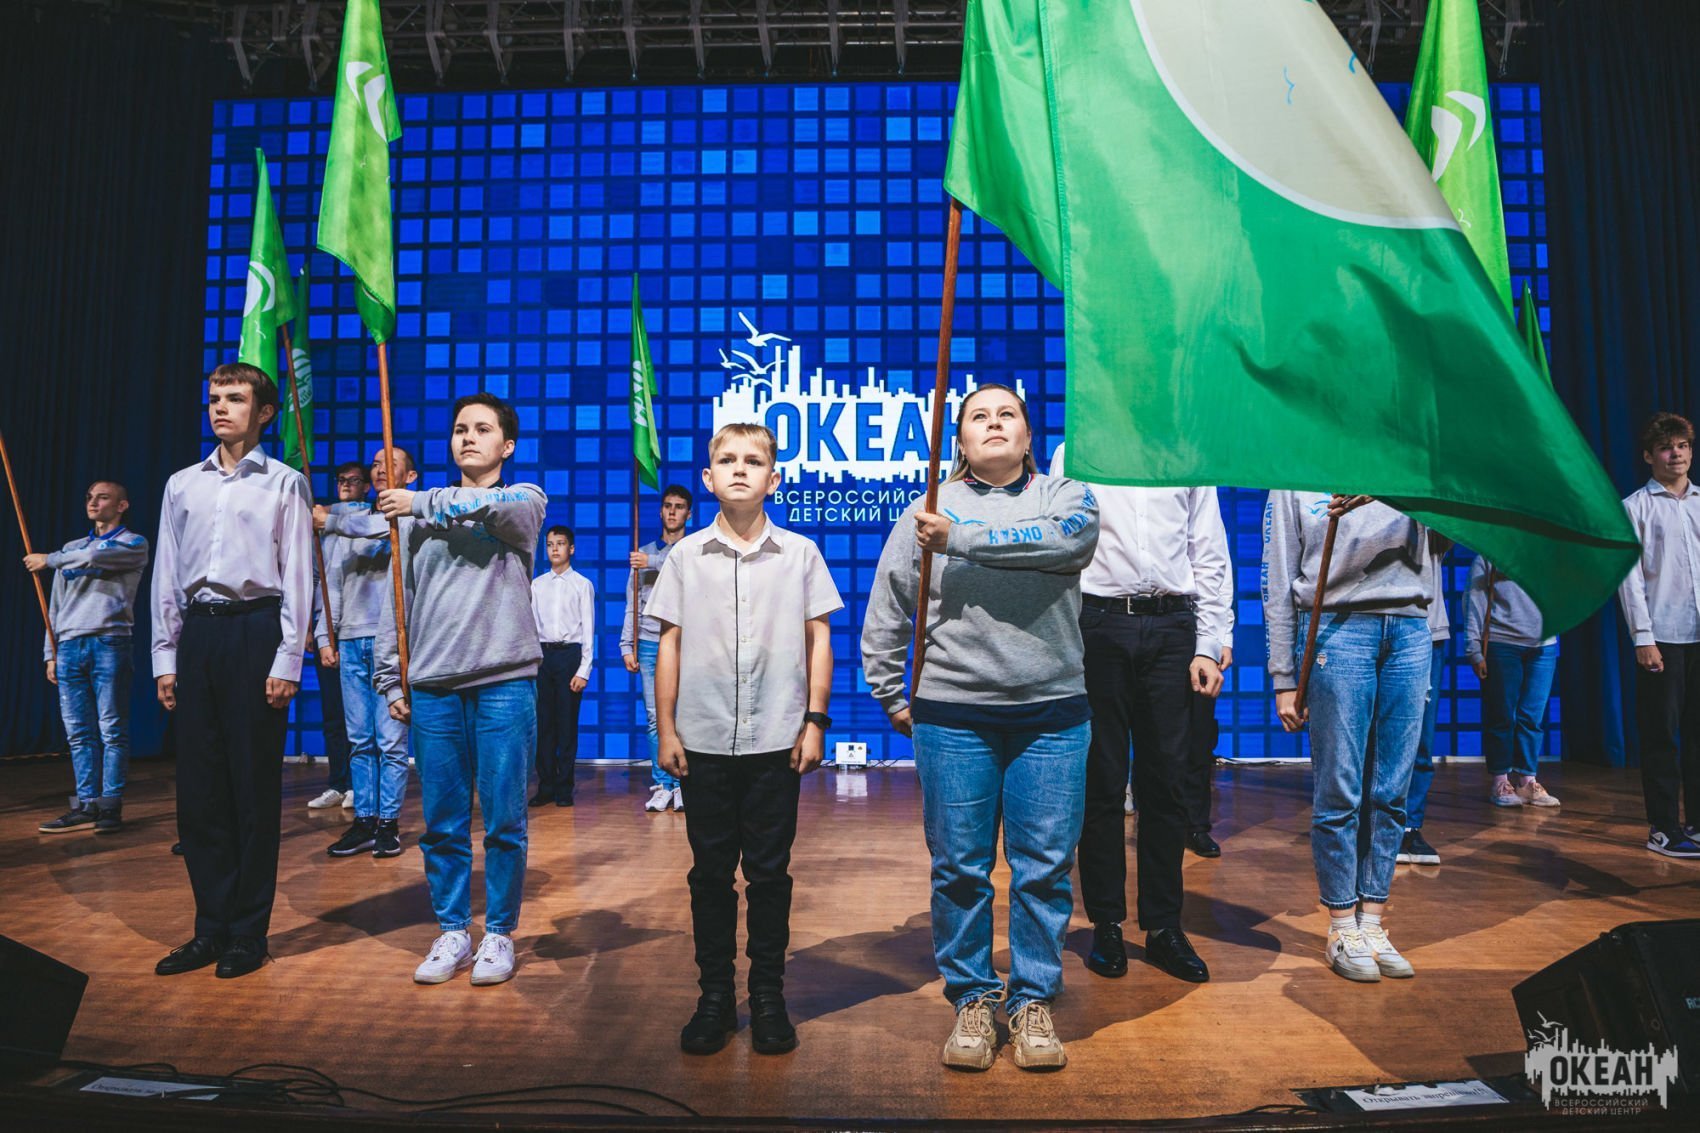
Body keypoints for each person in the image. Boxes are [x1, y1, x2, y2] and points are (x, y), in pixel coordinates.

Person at [864, 386, 1098, 1072]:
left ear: (1027, 435)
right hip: (954, 714)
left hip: (1052, 715)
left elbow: (1066, 544)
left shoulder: (1066, 496)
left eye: (1007, 415)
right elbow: (889, 605)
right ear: (960, 440)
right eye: (978, 417)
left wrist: (960, 538)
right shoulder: (926, 509)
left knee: (1044, 870)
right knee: (960, 869)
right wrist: (891, 693)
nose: (994, 424)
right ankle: (971, 995)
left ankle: (1032, 999)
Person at [648, 423, 841, 1058]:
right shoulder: (685, 556)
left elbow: (819, 638)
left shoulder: (801, 553)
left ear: (773, 478)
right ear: (708, 478)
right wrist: (666, 729)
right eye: (727, 460)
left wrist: (815, 721)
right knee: (709, 876)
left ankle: (767, 995)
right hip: (702, 742)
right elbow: (669, 644)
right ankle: (713, 996)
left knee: (768, 874)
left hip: (775, 743)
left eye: (753, 461)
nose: (739, 469)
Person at [376, 393, 547, 985]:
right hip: (434, 686)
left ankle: (498, 934)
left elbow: (494, 508)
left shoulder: (524, 500)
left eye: (482, 429)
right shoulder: (414, 519)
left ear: (507, 445)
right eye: (459, 429)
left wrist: (420, 500)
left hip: (504, 683)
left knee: (503, 821)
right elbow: (398, 602)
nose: (468, 437)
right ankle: (453, 930)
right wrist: (389, 676)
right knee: (443, 822)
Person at [151, 362, 313, 980]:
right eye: (215, 398)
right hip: (200, 634)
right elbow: (168, 575)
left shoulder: (284, 483)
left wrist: (288, 658)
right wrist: (166, 655)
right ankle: (209, 929)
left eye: (235, 398)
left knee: (251, 789)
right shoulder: (181, 484)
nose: (220, 407)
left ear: (264, 412)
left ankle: (248, 932)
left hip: (255, 631)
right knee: (200, 794)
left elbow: (298, 575)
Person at [1046, 444, 1225, 987]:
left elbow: (1209, 552)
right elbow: (1058, 550)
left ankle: (1165, 926)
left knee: (1166, 784)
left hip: (1173, 627)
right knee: (1101, 784)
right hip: (1098, 624)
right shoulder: (1077, 453)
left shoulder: (1187, 456)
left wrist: (1210, 642)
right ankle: (1106, 924)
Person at [1264, 492, 1438, 984]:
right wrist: (1283, 676)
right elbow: (1279, 578)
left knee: (1391, 789)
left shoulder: (1408, 463)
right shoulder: (1295, 478)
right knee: (1340, 788)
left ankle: (1373, 923)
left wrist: (1394, 491)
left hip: (1409, 626)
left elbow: (1450, 533)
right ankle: (1342, 925)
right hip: (1337, 628)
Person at [30, 481, 150, 834]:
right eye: (89, 497)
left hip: (109, 642)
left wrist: (49, 560)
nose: (93, 503)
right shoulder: (72, 548)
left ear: (122, 505)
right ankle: (87, 804)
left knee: (111, 727)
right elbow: (55, 606)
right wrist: (50, 652)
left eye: (102, 497)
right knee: (78, 731)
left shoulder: (133, 543)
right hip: (69, 645)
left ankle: (110, 804)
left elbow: (96, 557)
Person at [316, 448, 420, 858]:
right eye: (375, 464)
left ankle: (388, 823)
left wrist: (331, 519)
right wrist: (325, 635)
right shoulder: (352, 521)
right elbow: (333, 581)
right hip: (350, 639)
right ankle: (364, 820)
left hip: (390, 642)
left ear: (410, 476)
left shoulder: (409, 515)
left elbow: (379, 527)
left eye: (389, 464)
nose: (379, 470)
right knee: (359, 739)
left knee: (390, 740)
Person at [1616, 411, 1700, 858]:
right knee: (1661, 736)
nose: (1676, 455)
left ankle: (1698, 824)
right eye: (1667, 448)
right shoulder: (1635, 507)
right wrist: (1642, 636)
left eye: (1683, 446)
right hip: (1663, 636)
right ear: (1649, 456)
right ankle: (1664, 829)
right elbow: (1629, 579)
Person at [1466, 556, 1560, 809]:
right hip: (1502, 642)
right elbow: (1475, 602)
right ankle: (1500, 781)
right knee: (1502, 716)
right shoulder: (1489, 555)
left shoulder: (1547, 552)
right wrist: (1474, 649)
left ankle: (1528, 781)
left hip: (1543, 645)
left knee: (1532, 717)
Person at [622, 485, 695, 813]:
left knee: (686, 717)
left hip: (688, 644)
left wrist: (650, 561)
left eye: (679, 506)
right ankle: (663, 784)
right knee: (656, 718)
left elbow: (686, 571)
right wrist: (627, 644)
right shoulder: (644, 553)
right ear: (661, 510)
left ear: (688, 514)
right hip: (651, 642)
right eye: (667, 505)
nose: (672, 511)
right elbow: (632, 604)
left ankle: (683, 784)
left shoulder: (693, 549)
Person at [304, 461, 366, 810]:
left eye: (354, 480)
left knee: (359, 715)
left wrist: (329, 516)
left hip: (359, 626)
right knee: (332, 713)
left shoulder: (367, 517)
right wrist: (313, 626)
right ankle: (337, 782)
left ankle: (359, 783)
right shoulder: (322, 524)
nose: (346, 485)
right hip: (328, 626)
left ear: (365, 486)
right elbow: (316, 578)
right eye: (341, 480)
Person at [531, 525, 594, 808]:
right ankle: (546, 785)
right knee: (543, 725)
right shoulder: (537, 585)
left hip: (569, 656)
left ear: (571, 548)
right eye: (549, 544)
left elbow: (588, 629)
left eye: (560, 543)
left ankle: (564, 786)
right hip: (543, 658)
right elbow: (533, 627)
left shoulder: (582, 584)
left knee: (566, 724)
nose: (554, 548)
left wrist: (584, 670)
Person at [1397, 566, 1451, 866]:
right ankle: (1375, 824)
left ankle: (1410, 827)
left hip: (1429, 630)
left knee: (1422, 740)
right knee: (1380, 738)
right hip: (1381, 626)